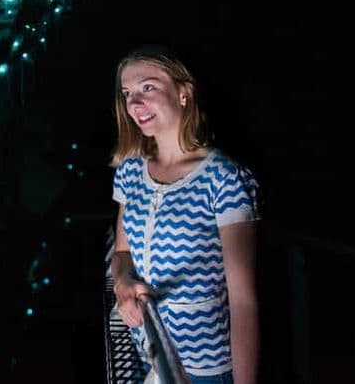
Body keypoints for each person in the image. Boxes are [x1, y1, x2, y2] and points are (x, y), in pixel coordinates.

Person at [110, 46, 260, 384]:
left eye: (147, 87)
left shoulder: (224, 178)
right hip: (151, 353)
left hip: (207, 369)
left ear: (183, 92)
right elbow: (122, 253)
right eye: (127, 93)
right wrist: (122, 283)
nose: (134, 103)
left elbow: (243, 301)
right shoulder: (130, 171)